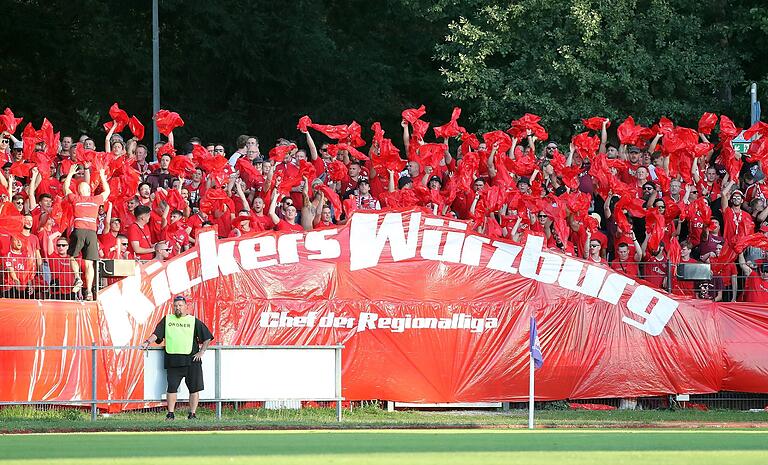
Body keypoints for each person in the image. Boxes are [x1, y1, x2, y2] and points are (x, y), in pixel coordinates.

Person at [141, 295, 213, 420]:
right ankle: (170, 414)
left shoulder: (193, 321)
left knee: (194, 389)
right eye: (175, 306)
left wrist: (202, 352)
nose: (177, 308)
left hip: (192, 361)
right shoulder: (168, 319)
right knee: (172, 387)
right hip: (173, 361)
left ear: (186, 307)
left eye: (180, 305)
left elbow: (207, 337)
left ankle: (192, 414)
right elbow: (157, 333)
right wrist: (147, 342)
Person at [63, 164, 110, 300]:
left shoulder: (76, 199)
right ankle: (89, 292)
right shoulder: (95, 200)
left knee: (72, 256)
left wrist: (71, 174)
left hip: (79, 230)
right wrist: (102, 176)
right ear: (89, 191)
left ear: (78, 191)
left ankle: (77, 277)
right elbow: (107, 191)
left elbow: (66, 189)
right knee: (89, 263)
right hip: (91, 233)